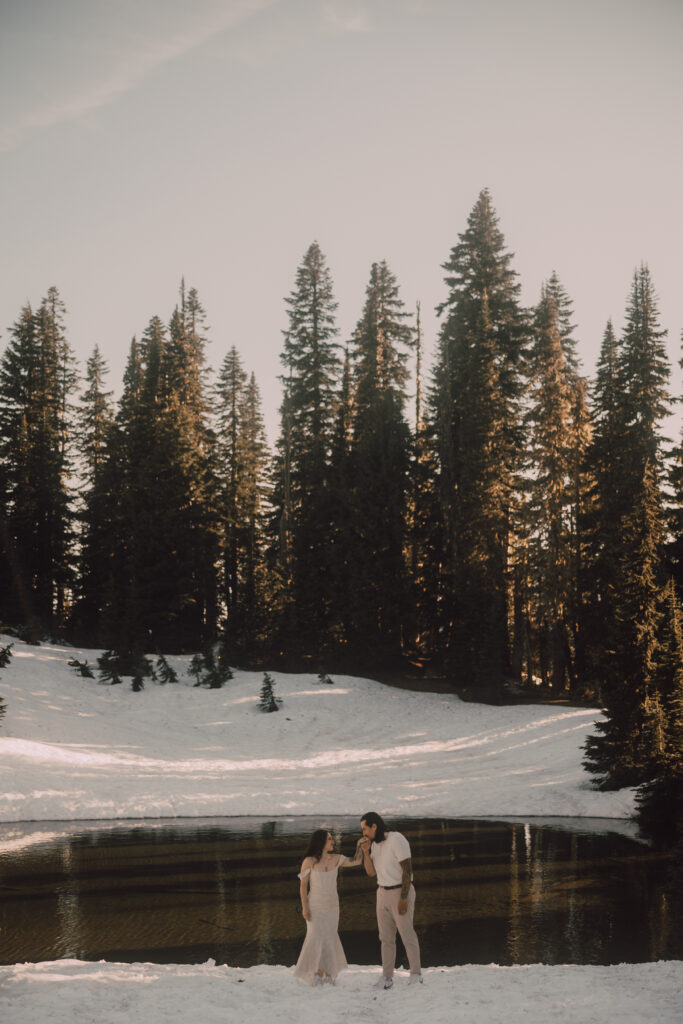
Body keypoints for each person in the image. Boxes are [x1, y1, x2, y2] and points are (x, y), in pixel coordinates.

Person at [359, 811, 423, 990]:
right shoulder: (374, 845)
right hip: (382, 893)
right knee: (386, 938)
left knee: (406, 934)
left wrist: (403, 898)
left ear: (374, 826)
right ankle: (387, 978)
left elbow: (407, 871)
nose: (363, 833)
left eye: (365, 829)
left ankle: (416, 974)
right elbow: (371, 872)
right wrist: (365, 852)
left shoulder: (397, 839)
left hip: (400, 891)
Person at [293, 828, 363, 986]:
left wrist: (360, 846)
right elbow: (303, 887)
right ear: (321, 842)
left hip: (332, 906)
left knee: (330, 936)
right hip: (315, 905)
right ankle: (316, 972)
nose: (333, 842)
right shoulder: (309, 861)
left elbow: (357, 861)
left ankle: (329, 972)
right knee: (315, 937)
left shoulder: (337, 859)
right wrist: (305, 908)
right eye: (330, 839)